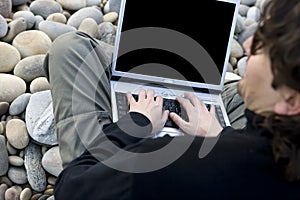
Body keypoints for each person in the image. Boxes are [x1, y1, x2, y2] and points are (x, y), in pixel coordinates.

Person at [43, 0, 300, 199]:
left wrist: (135, 123)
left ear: (291, 101)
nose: (247, 45)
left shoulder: (171, 167)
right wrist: (222, 134)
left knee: (70, 50)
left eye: (262, 47)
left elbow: (73, 187)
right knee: (231, 94)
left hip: (113, 180)